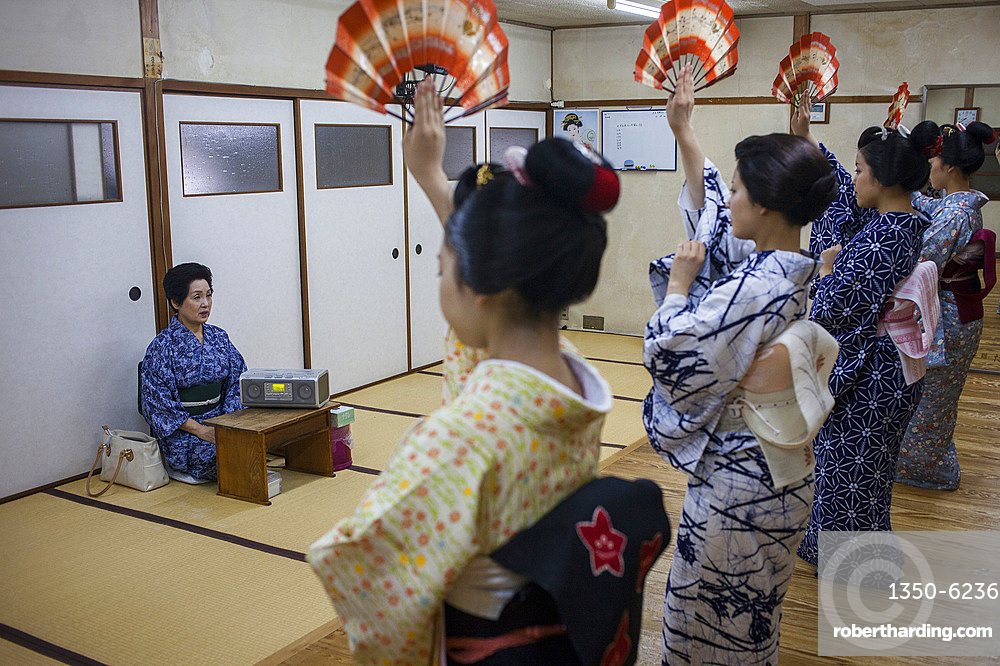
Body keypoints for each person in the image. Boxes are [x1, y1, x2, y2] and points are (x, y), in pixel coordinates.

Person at [308, 80, 665, 664]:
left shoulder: (462, 437)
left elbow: (371, 577)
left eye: (442, 269)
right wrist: (430, 176)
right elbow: (493, 328)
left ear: (480, 286)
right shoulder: (569, 381)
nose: (442, 281)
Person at [644, 65, 838, 664]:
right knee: (753, 624)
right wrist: (684, 131)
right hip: (782, 474)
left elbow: (674, 352)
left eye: (736, 190)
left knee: (706, 632)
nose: (727, 200)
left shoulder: (755, 286)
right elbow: (716, 221)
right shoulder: (788, 265)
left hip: (740, 483)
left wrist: (678, 289)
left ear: (766, 204)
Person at [791, 100, 937, 566]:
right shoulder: (901, 220)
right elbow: (837, 187)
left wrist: (826, 271)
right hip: (892, 369)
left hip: (872, 377)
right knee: (866, 476)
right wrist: (807, 137)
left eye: (859, 170)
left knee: (848, 476)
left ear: (883, 178)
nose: (853, 179)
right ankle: (855, 554)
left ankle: (851, 566)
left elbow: (834, 311)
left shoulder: (882, 236)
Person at [896, 121, 996, 490]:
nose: (930, 169)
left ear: (949, 166)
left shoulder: (955, 213)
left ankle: (928, 470)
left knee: (931, 402)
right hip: (958, 309)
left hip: (951, 316)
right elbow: (924, 202)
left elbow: (922, 257)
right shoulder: (958, 203)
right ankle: (931, 460)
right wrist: (902, 187)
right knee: (937, 399)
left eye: (932, 162)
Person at [140, 262, 247, 482]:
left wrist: (226, 423)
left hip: (221, 421)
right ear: (176, 302)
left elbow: (237, 381)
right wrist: (202, 430)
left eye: (208, 295)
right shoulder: (162, 347)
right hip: (185, 432)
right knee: (230, 456)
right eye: (196, 297)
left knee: (255, 442)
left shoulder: (219, 337)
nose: (205, 303)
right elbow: (157, 405)